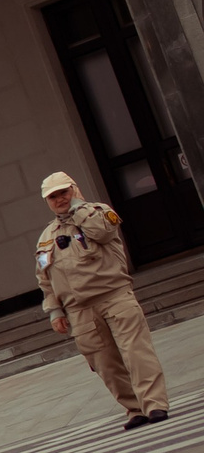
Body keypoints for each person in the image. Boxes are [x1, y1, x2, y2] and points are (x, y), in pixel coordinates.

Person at [36, 171, 169, 427]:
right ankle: (135, 409)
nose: (60, 199)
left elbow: (102, 233)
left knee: (136, 353)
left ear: (74, 189)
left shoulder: (97, 213)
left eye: (64, 192)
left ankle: (154, 405)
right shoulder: (47, 237)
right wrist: (55, 311)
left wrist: (78, 208)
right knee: (105, 364)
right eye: (53, 196)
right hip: (80, 309)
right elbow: (45, 277)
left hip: (114, 295)